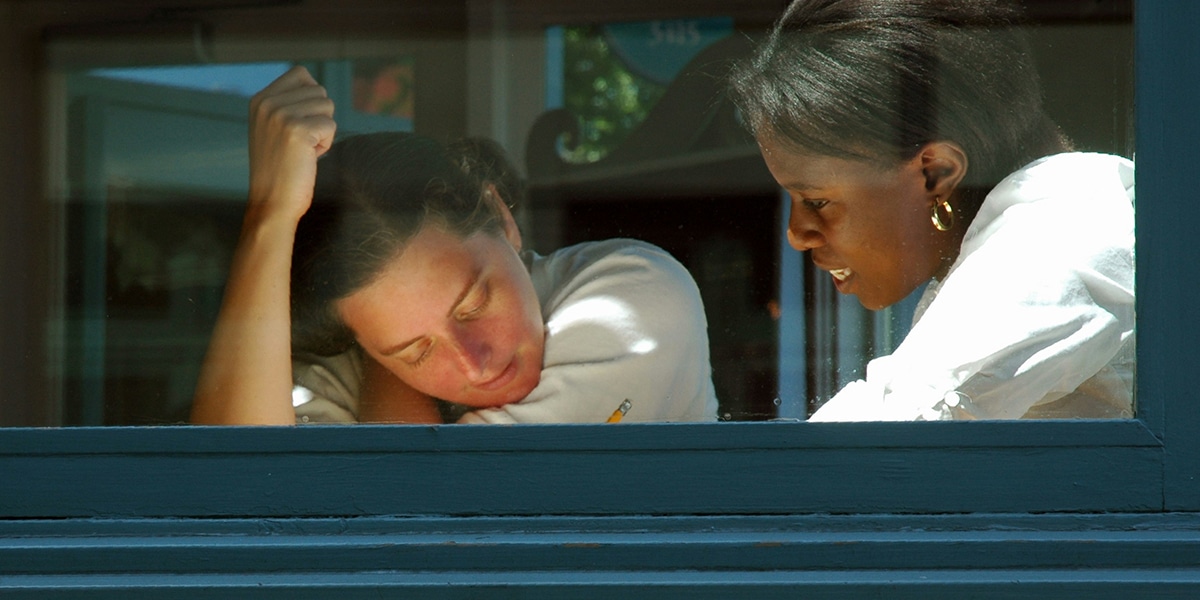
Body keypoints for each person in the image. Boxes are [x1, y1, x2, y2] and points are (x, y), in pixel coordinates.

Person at [190, 66, 718, 425]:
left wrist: (400, 354)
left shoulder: (632, 297)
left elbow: (435, 519)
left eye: (474, 302)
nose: (475, 363)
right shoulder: (346, 361)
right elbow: (234, 496)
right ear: (365, 346)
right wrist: (268, 218)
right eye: (416, 351)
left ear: (500, 215)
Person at [728, 0, 1134, 420]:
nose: (797, 234)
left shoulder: (1056, 239)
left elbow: (894, 426)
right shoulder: (1035, 225)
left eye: (817, 202)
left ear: (935, 173)